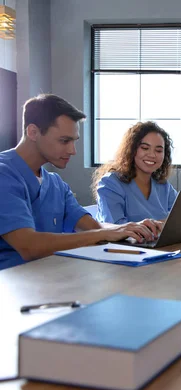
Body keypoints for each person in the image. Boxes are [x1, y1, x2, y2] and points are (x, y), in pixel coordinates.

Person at [0, 94, 157, 270]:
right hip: (11, 287)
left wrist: (129, 229)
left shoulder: (56, 183)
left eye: (74, 141)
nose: (73, 151)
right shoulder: (4, 174)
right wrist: (106, 232)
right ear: (33, 132)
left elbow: (92, 227)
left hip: (52, 277)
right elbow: (28, 246)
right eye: (64, 141)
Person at [92, 121, 176, 232]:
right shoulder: (110, 183)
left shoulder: (163, 186)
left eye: (159, 150)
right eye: (145, 148)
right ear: (131, 150)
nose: (152, 155)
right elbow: (115, 228)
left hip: (159, 245)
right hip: (122, 247)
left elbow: (179, 217)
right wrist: (161, 224)